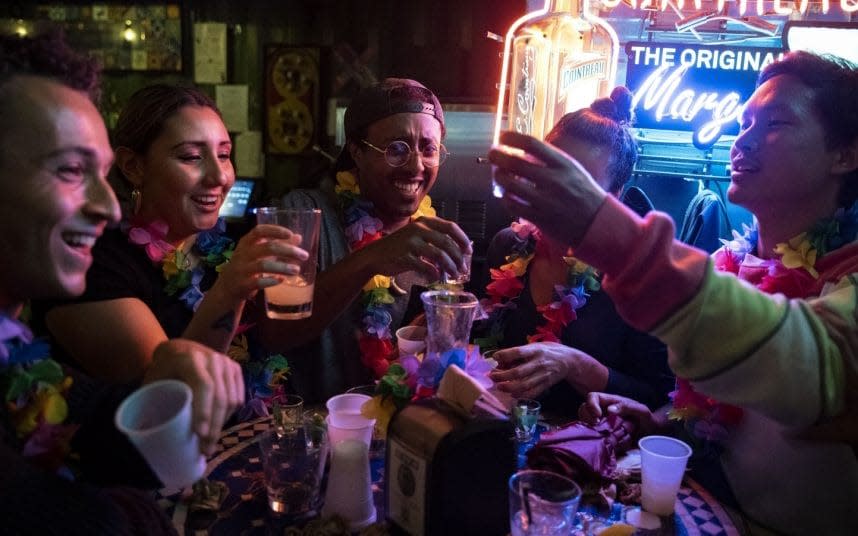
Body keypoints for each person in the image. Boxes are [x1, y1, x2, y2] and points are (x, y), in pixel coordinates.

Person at [490, 51, 858, 535]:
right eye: (745, 121)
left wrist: (608, 235)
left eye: (775, 122)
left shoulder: (846, 281)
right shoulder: (733, 269)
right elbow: (722, 425)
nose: (742, 138)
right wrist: (657, 422)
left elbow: (808, 364)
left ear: (846, 154)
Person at [0, 32, 243, 533]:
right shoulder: (106, 265)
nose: (109, 206)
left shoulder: (10, 350)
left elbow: (89, 422)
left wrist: (167, 377)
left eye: (102, 173)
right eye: (70, 169)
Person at [34, 84, 308, 395]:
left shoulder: (228, 245)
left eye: (224, 155)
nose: (219, 177)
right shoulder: (93, 266)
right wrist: (229, 290)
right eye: (192, 157)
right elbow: (165, 399)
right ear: (133, 166)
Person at [268, 78, 471, 402]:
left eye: (428, 149)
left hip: (400, 434)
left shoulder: (435, 237)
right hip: (316, 432)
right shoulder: (303, 213)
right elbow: (274, 333)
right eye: (396, 149)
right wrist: (371, 258)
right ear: (357, 151)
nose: (416, 165)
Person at [482, 88, 673, 414]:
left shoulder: (642, 282)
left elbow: (661, 401)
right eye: (548, 172)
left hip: (585, 454)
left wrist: (577, 365)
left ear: (614, 194)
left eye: (577, 184)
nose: (555, 194)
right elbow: (478, 347)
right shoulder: (507, 246)